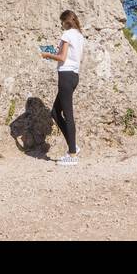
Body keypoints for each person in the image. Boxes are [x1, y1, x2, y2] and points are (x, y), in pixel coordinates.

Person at [40, 10, 85, 165]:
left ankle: (72, 155)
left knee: (68, 114)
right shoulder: (79, 36)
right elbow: (69, 55)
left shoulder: (66, 34)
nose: (61, 25)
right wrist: (55, 51)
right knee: (55, 111)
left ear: (66, 21)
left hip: (65, 76)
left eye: (62, 22)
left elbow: (61, 57)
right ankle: (73, 146)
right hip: (74, 76)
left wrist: (47, 54)